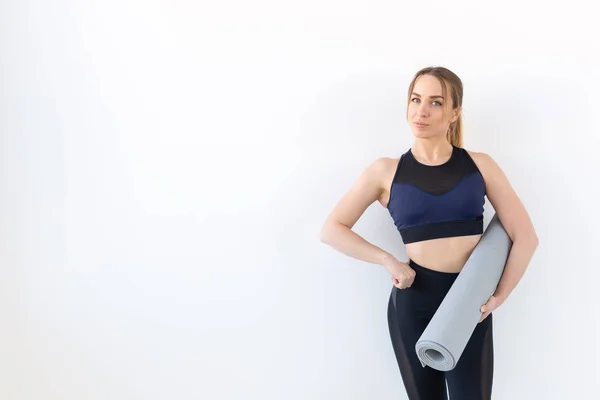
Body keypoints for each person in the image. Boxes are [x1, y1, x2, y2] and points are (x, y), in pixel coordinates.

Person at [319, 66, 539, 399]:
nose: (421, 110)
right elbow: (332, 229)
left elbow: (525, 236)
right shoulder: (385, 171)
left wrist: (499, 296)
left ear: (454, 112)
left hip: (468, 305)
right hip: (414, 302)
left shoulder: (480, 166)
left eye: (435, 102)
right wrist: (388, 261)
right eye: (415, 99)